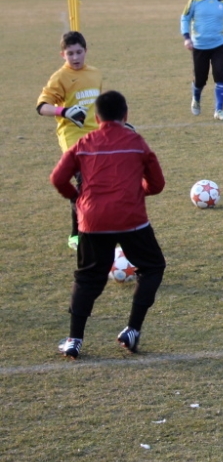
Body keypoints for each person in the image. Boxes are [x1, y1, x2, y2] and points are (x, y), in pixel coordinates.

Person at [50, 91, 166, 359]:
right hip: (130, 218)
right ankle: (132, 330)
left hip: (92, 220)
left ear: (97, 117)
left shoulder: (84, 142)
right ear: (126, 115)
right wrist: (137, 192)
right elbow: (157, 184)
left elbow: (58, 178)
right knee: (153, 267)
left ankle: (74, 340)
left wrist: (76, 198)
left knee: (88, 278)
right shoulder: (136, 142)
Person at [35, 30, 102, 250]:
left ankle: (98, 227)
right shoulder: (59, 77)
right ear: (62, 54)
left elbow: (97, 107)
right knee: (84, 182)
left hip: (96, 137)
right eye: (70, 53)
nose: (75, 57)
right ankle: (76, 234)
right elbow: (41, 107)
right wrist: (65, 111)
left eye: (78, 52)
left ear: (86, 51)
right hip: (72, 138)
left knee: (100, 184)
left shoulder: (95, 73)